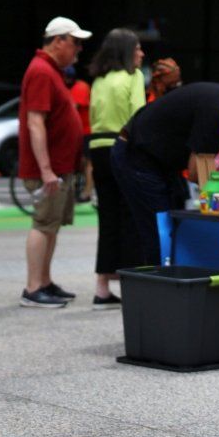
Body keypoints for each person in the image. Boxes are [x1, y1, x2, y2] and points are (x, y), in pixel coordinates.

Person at [114, 80, 219, 268]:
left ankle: (172, 273)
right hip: (137, 153)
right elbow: (197, 173)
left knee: (175, 225)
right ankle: (160, 280)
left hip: (161, 159)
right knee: (160, 230)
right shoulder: (218, 113)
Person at [19, 17, 91, 308]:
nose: (78, 49)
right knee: (44, 224)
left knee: (51, 224)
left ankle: (44, 282)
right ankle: (33, 287)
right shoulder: (41, 71)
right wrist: (46, 170)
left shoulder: (49, 71)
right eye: (75, 42)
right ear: (58, 41)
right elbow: (35, 123)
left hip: (58, 166)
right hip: (48, 169)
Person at [85, 28, 145, 305]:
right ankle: (132, 283)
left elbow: (93, 115)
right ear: (127, 51)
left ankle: (102, 287)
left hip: (98, 148)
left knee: (107, 217)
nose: (141, 53)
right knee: (131, 216)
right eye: (137, 48)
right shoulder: (133, 77)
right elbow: (138, 115)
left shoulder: (99, 79)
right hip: (123, 147)